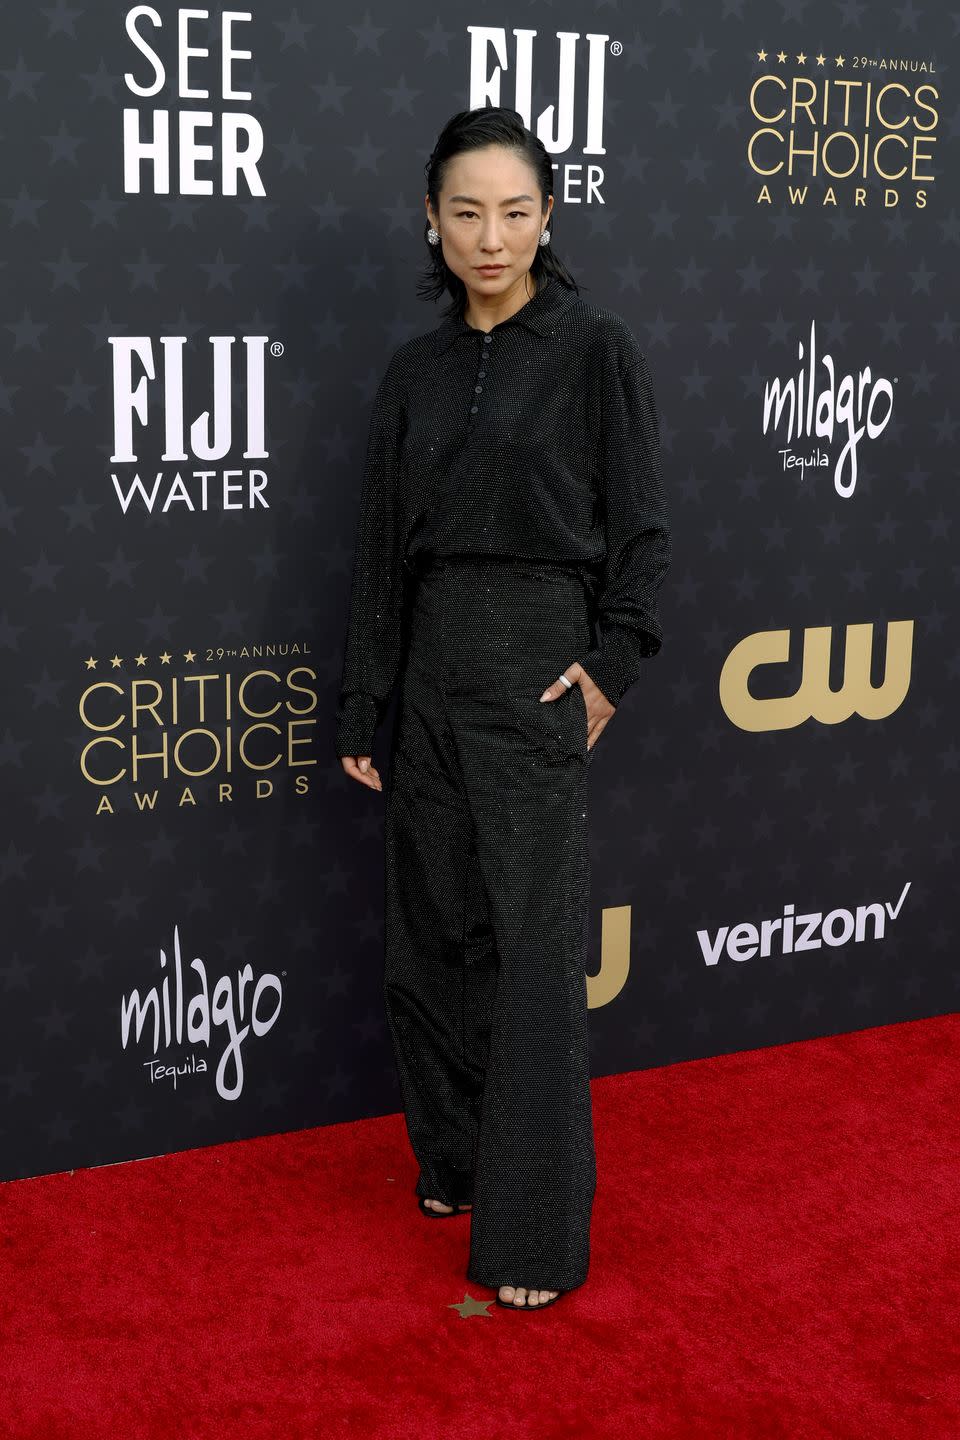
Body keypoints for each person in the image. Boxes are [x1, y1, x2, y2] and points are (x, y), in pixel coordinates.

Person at [335, 107, 671, 1311]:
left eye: (517, 212)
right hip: (427, 677)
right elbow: (382, 551)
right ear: (430, 219)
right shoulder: (414, 373)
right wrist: (368, 698)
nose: (493, 237)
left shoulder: (594, 351)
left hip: (535, 672)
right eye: (467, 212)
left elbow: (642, 537)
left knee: (531, 958)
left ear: (548, 216)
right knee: (428, 936)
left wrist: (610, 668)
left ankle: (534, 1237)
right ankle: (455, 1158)